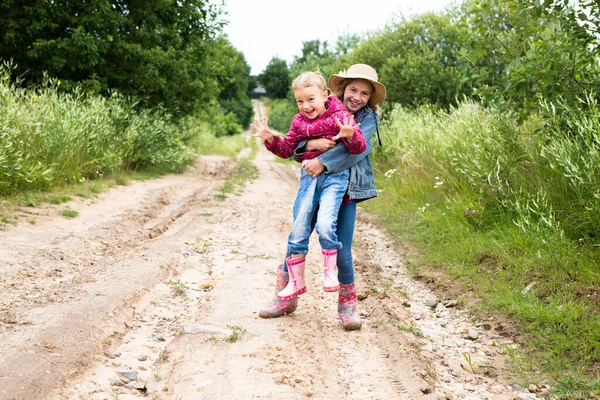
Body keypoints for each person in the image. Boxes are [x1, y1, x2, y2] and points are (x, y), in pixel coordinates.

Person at [259, 64, 386, 331]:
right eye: (353, 90)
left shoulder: (367, 117)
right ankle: (285, 297)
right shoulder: (322, 108)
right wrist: (309, 146)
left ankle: (348, 304)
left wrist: (321, 161)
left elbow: (356, 151)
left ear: (370, 98)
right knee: (298, 232)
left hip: (347, 189)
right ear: (341, 90)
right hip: (314, 183)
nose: (357, 97)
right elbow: (294, 147)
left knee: (343, 249)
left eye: (364, 93)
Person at [252, 71, 366, 300]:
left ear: (325, 95)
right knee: (299, 227)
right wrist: (271, 139)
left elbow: (358, 148)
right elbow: (287, 150)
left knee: (325, 223)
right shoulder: (298, 121)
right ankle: (295, 282)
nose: (305, 106)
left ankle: (329, 273)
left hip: (335, 177)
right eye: (300, 101)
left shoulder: (341, 115)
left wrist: (348, 135)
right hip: (309, 178)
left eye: (311, 99)